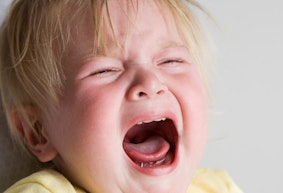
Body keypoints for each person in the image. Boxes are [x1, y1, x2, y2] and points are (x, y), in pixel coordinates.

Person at [0, 0, 243, 192]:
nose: (150, 83)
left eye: (171, 60)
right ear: (38, 130)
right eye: (105, 70)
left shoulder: (216, 188)